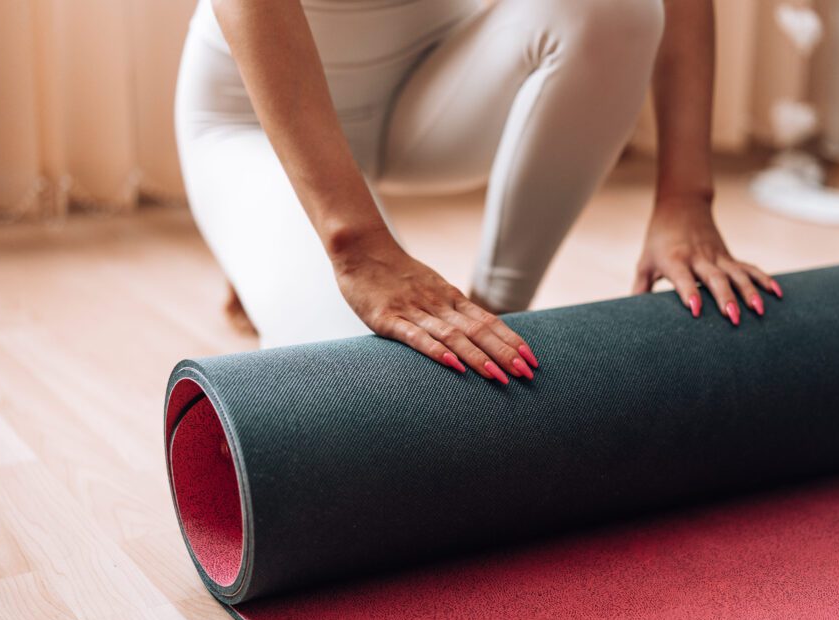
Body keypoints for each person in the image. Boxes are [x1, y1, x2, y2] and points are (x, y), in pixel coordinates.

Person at [176, 0, 782, 385]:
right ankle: (270, 246)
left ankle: (498, 315)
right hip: (255, 122)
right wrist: (356, 247)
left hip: (437, 85)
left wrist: (685, 199)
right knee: (365, 393)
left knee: (617, 10)